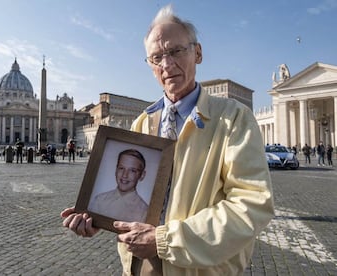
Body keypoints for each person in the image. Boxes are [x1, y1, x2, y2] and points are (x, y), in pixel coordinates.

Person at [61, 5, 274, 275]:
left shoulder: (234, 120)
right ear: (149, 65)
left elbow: (251, 205)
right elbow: (131, 203)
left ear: (197, 53)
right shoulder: (141, 123)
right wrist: (99, 219)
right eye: (156, 57)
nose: (167, 64)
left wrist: (164, 242)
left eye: (176, 51)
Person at [88, 149, 149, 222]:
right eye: (121, 168)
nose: (125, 175)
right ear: (116, 170)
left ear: (142, 175)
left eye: (132, 170)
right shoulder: (99, 200)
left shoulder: (145, 211)